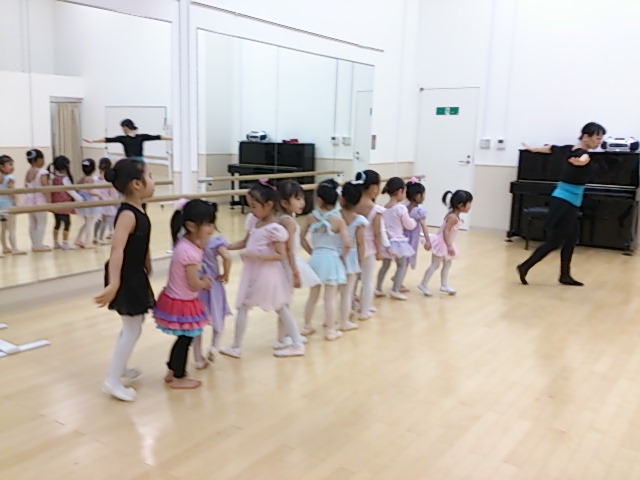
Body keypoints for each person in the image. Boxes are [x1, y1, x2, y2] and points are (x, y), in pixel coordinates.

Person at [220, 179, 305, 358]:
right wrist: (225, 246)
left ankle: (296, 343)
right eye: (250, 205)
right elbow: (245, 242)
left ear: (269, 205)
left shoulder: (274, 229)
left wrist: (256, 256)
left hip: (268, 274)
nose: (251, 210)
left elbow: (281, 255)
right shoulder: (254, 221)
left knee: (279, 307)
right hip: (253, 273)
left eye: (254, 206)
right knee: (245, 306)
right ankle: (236, 346)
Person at [95, 159, 155, 402]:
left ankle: (120, 368)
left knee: (133, 324)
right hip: (125, 275)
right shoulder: (127, 214)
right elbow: (117, 249)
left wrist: (147, 262)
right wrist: (114, 283)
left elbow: (141, 241)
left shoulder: (140, 209)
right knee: (132, 327)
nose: (153, 181)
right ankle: (112, 380)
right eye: (150, 176)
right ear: (137, 184)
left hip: (134, 272)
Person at [516, 122, 606, 286]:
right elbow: (583, 158)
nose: (600, 142)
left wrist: (534, 149)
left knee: (571, 238)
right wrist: (581, 162)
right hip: (565, 202)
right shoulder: (581, 153)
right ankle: (525, 266)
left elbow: (551, 148)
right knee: (555, 241)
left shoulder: (568, 149)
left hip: (566, 200)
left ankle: (564, 275)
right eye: (598, 138)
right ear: (586, 137)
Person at [153, 199, 215, 389]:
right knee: (186, 339)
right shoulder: (190, 253)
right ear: (191, 226)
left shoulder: (185, 243)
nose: (211, 229)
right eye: (207, 224)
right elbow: (193, 283)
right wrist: (205, 283)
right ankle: (178, 376)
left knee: (183, 338)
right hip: (182, 301)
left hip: (176, 298)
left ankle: (172, 370)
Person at [301, 179, 350, 341]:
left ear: (319, 199)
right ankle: (330, 330)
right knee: (330, 298)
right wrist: (342, 256)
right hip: (331, 259)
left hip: (316, 259)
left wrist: (312, 251)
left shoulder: (310, 217)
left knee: (312, 296)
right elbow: (347, 243)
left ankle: (307, 325)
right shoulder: (339, 220)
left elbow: (301, 238)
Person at [273, 180, 319, 349]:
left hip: (286, 263)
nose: (302, 203)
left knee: (285, 302)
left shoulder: (282, 218)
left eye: (302, 198)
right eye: (298, 199)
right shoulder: (289, 222)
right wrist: (295, 271)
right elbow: (290, 250)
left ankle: (284, 336)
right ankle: (283, 338)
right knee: (285, 303)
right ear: (285, 203)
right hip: (289, 264)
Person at [192, 200, 232, 367]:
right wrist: (226, 274)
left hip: (197, 285)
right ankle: (214, 346)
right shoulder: (215, 242)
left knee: (197, 322)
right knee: (218, 316)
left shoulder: (190, 242)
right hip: (214, 285)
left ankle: (198, 358)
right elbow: (227, 257)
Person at [418, 190, 473, 296]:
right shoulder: (453, 217)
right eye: (469, 203)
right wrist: (449, 246)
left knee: (447, 264)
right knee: (435, 265)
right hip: (442, 243)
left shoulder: (454, 215)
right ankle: (423, 284)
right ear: (461, 205)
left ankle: (444, 285)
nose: (470, 206)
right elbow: (446, 231)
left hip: (446, 243)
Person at [375, 177, 417, 300]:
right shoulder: (401, 208)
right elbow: (409, 225)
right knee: (402, 265)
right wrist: (414, 222)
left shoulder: (384, 207)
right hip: (398, 241)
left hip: (387, 241)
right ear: (399, 191)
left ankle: (378, 288)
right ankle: (395, 289)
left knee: (385, 265)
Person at [354, 169, 385, 320]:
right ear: (373, 187)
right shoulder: (375, 209)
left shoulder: (352, 204)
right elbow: (377, 233)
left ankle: (350, 305)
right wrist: (379, 250)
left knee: (353, 278)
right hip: (369, 247)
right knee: (367, 281)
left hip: (353, 245)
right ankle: (364, 310)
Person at [339, 181, 368, 331]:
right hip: (352, 257)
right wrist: (361, 261)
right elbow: (360, 243)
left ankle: (329, 319)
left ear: (342, 198)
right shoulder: (360, 220)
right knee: (347, 292)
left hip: (337, 255)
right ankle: (344, 321)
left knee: (333, 291)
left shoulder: (335, 216)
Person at [83, 118, 171, 161]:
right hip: (130, 162)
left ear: (126, 127)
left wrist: (172, 138)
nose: (122, 130)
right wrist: (93, 141)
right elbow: (107, 139)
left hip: (139, 162)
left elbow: (158, 137)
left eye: (122, 128)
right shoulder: (123, 138)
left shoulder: (141, 137)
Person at [401, 178, 431, 291]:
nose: (424, 197)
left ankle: (398, 277)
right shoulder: (418, 211)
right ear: (417, 196)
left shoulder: (404, 207)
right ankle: (399, 282)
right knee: (406, 262)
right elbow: (424, 226)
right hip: (411, 239)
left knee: (402, 260)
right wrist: (428, 240)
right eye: (423, 195)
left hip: (401, 237)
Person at [48, 155, 82, 250]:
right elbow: (71, 191)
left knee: (57, 223)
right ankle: (65, 242)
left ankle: (55, 242)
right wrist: (80, 199)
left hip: (56, 204)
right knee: (67, 223)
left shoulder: (53, 178)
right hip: (65, 204)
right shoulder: (65, 179)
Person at [23, 149, 52, 252]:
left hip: (29, 200)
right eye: (42, 159)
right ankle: (39, 245)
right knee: (41, 223)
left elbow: (26, 185)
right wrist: (49, 200)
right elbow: (45, 187)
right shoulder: (42, 172)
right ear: (39, 160)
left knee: (32, 223)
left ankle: (35, 244)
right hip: (40, 200)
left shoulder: (28, 172)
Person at [0, 155, 25, 256]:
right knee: (11, 228)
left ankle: (5, 247)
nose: (12, 167)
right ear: (2, 167)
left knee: (3, 228)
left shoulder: (1, 177)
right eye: (10, 164)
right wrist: (18, 203)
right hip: (8, 205)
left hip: (1, 206)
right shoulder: (10, 177)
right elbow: (12, 191)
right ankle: (14, 248)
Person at [74, 159, 101, 249]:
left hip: (83, 201)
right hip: (89, 202)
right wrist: (99, 195)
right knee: (90, 223)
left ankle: (78, 238)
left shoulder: (82, 178)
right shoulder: (91, 179)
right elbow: (90, 191)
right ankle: (87, 242)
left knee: (87, 223)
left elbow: (77, 188)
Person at [94, 158, 120, 244]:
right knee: (104, 221)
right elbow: (113, 194)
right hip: (106, 201)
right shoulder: (108, 180)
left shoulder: (97, 178)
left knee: (99, 220)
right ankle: (101, 238)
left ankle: (95, 236)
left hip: (98, 201)